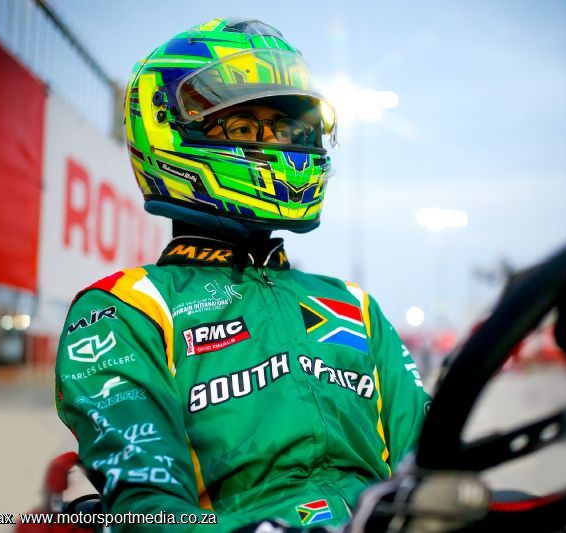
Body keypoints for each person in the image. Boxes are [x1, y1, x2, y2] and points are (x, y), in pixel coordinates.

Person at [54, 18, 430, 531]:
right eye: (244, 129)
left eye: (285, 128)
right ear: (166, 128)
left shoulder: (354, 307)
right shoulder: (128, 308)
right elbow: (148, 505)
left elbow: (430, 459)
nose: (276, 143)